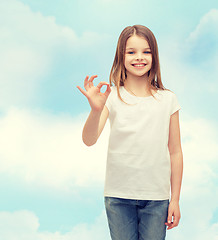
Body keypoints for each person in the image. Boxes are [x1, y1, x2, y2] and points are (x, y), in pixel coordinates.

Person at [77, 25, 183, 240]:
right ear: (121, 56)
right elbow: (89, 140)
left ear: (154, 55)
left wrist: (175, 199)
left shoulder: (168, 99)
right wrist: (95, 111)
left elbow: (175, 152)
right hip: (118, 196)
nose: (139, 58)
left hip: (156, 197)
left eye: (146, 51)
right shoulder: (112, 97)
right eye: (131, 52)